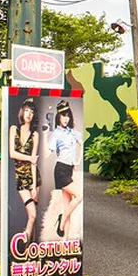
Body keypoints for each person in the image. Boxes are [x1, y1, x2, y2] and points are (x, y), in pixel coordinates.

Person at [48, 99, 82, 238]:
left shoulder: (72, 133)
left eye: (68, 115)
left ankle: (65, 242)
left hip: (69, 169)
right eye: (63, 115)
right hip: (61, 169)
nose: (66, 118)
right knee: (79, 196)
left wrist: (77, 161)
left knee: (68, 206)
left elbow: (81, 144)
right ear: (58, 117)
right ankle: (61, 222)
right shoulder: (57, 133)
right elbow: (49, 150)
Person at [9, 99, 40, 242]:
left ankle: (31, 250)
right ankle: (25, 249)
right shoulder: (14, 129)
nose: (29, 114)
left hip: (33, 177)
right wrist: (29, 158)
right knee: (32, 214)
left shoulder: (35, 135)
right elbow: (12, 154)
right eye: (27, 110)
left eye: (32, 112)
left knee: (33, 216)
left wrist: (33, 185)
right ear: (22, 112)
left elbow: (35, 162)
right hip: (20, 177)